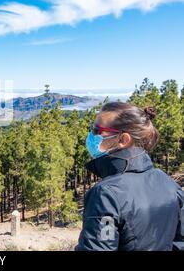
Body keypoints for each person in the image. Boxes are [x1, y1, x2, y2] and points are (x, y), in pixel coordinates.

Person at [76, 102, 184, 251]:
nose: (91, 135)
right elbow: (180, 242)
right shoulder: (168, 183)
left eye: (97, 130)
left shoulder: (106, 194)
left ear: (123, 140)